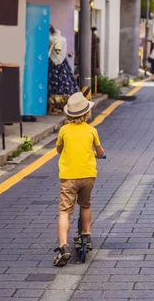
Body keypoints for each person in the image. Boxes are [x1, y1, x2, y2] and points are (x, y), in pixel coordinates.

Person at [54, 92, 105, 266]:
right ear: (87, 113)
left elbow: (59, 150)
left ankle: (63, 246)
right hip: (88, 176)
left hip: (69, 177)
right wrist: (97, 155)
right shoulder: (92, 131)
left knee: (64, 211)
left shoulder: (64, 131)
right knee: (85, 205)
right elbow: (100, 152)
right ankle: (86, 234)